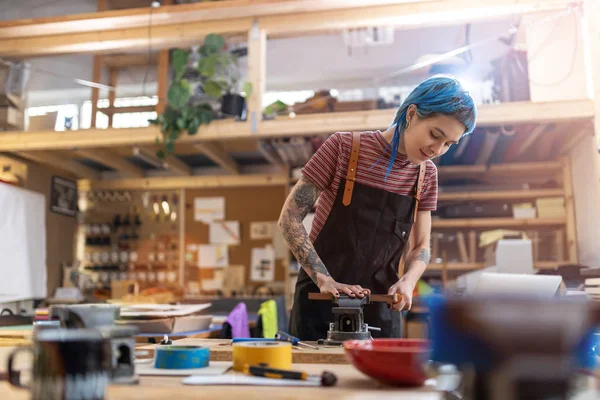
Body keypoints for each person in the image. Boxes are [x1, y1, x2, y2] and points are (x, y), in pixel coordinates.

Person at [277, 75, 477, 340]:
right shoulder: (343, 148)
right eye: (435, 135)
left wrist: (408, 281)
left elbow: (421, 247)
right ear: (412, 113)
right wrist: (324, 279)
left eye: (449, 144)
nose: (437, 150)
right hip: (322, 301)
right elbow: (289, 219)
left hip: (382, 305)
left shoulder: (426, 175)